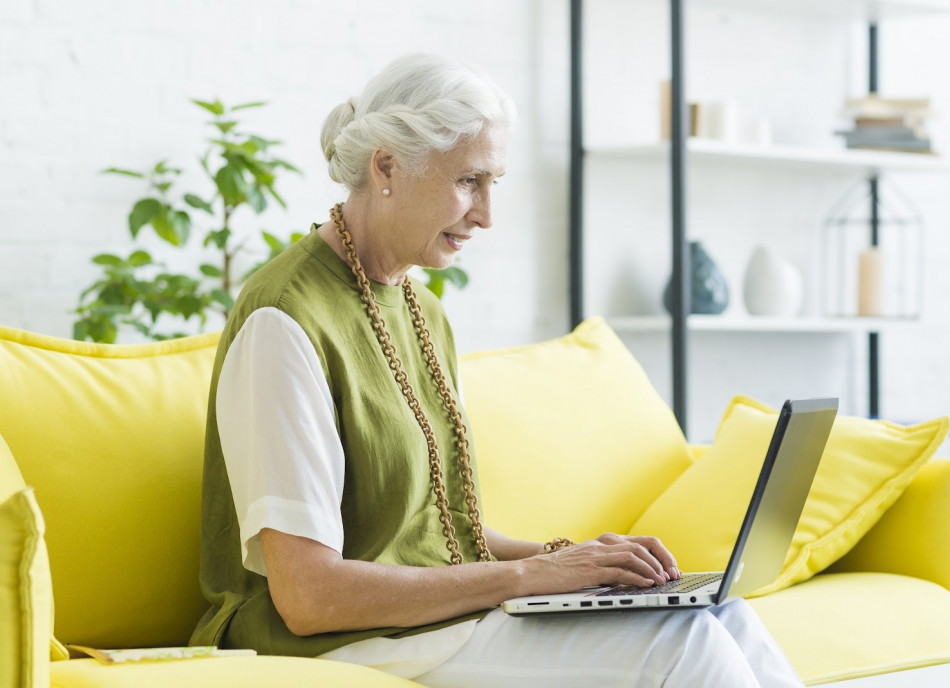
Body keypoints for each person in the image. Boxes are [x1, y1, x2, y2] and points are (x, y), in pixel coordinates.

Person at [191, 53, 803, 688]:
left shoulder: (420, 308)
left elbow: (434, 530)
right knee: (685, 643)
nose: (486, 215)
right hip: (338, 644)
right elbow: (310, 595)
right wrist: (529, 577)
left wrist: (576, 559)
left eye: (494, 184)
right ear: (386, 166)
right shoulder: (284, 321)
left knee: (725, 613)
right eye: (468, 182)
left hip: (438, 625)